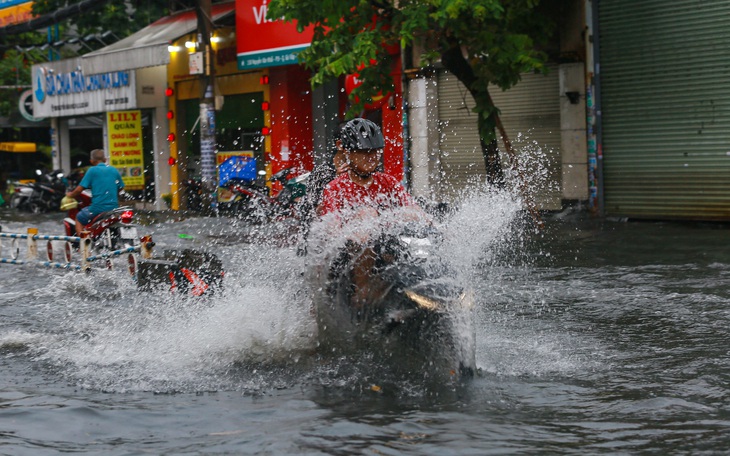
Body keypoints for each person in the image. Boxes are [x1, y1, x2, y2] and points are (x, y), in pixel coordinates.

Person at [317, 118, 424, 307]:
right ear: (348, 153)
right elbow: (332, 228)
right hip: (348, 259)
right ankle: (362, 292)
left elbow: (412, 209)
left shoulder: (388, 182)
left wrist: (432, 224)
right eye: (364, 152)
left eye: (375, 151)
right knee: (367, 215)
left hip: (387, 251)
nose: (371, 156)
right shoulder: (335, 188)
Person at [66, 149, 125, 235]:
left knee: (79, 218)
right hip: (114, 209)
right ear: (105, 160)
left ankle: (84, 244)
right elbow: (120, 188)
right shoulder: (113, 170)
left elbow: (79, 190)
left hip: (97, 209)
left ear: (92, 161)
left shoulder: (92, 170)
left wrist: (70, 195)